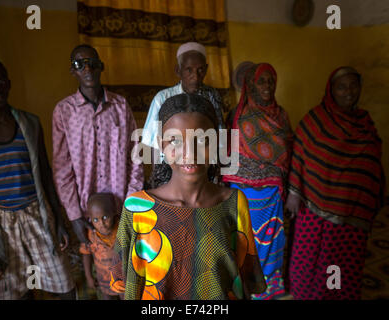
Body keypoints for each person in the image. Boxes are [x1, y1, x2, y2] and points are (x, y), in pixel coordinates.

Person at [109, 93, 266, 300]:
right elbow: (126, 284)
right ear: (161, 144)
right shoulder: (137, 209)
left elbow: (246, 280)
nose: (189, 152)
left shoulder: (233, 203)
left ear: (217, 142)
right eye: (174, 140)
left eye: (201, 140)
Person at [0, 56, 75, 300]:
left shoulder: (29, 123)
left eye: (0, 81)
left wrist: (59, 221)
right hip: (0, 223)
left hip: (37, 213)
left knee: (65, 287)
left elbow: (45, 175)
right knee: (16, 290)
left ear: (9, 83)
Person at [285, 66, 385, 300]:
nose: (348, 92)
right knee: (312, 257)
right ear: (331, 90)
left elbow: (373, 164)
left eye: (353, 86)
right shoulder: (315, 121)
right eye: (342, 87)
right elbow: (298, 154)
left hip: (353, 212)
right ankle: (309, 294)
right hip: (314, 209)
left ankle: (336, 294)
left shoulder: (365, 123)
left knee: (343, 258)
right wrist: (293, 193)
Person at [52, 44, 144, 246]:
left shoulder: (120, 106)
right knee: (97, 266)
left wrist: (131, 203)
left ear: (101, 67)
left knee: (128, 262)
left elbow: (135, 156)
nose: (87, 69)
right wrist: (74, 215)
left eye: (92, 63)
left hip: (122, 208)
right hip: (88, 215)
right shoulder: (64, 111)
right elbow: (62, 168)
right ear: (73, 71)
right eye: (80, 64)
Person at [223, 63, 294, 300]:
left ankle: (267, 292)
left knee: (271, 244)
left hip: (273, 195)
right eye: (261, 81)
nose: (267, 86)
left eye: (270, 81)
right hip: (245, 196)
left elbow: (289, 152)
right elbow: (228, 156)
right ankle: (246, 291)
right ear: (251, 84)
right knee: (246, 245)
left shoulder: (281, 115)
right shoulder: (238, 115)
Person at [141, 42, 226, 187]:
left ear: (206, 70)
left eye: (200, 70)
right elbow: (154, 144)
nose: (195, 76)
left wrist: (217, 172)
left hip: (203, 169)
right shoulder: (162, 98)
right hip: (171, 171)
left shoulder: (213, 96)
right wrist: (157, 177)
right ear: (178, 70)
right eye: (189, 70)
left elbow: (219, 137)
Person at [80, 193, 121, 300]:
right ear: (90, 219)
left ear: (114, 213)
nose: (101, 223)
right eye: (96, 220)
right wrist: (89, 277)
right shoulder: (90, 235)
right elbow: (86, 255)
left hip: (124, 278)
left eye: (105, 217)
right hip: (104, 279)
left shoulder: (122, 229)